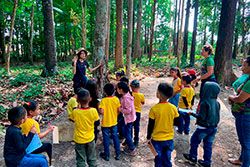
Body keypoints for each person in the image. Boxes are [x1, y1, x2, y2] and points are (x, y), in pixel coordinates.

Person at [183, 82, 221, 167]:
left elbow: (201, 117)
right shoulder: (217, 103)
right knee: (208, 145)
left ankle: (193, 157)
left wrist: (192, 114)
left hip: (203, 128)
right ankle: (207, 162)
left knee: (194, 140)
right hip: (213, 128)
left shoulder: (205, 103)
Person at [146, 83, 179, 167]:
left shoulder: (154, 109)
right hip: (169, 138)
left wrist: (148, 137)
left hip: (157, 139)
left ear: (158, 95)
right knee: (167, 158)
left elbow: (151, 125)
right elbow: (177, 122)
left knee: (158, 158)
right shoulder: (173, 108)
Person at [228, 57, 250, 167]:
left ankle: (245, 164)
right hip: (243, 113)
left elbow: (241, 99)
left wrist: (231, 98)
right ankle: (242, 160)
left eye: (245, 65)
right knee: (244, 140)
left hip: (245, 115)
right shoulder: (247, 79)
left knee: (246, 143)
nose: (242, 68)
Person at [20, 101, 54, 166]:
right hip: (30, 148)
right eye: (38, 109)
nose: (39, 111)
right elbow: (39, 136)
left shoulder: (21, 120)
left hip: (22, 144)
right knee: (48, 146)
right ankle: (50, 164)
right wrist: (49, 130)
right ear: (31, 112)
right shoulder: (33, 123)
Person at [72, 89, 99, 167]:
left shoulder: (75, 112)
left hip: (79, 139)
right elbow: (97, 123)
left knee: (80, 160)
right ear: (90, 99)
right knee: (92, 159)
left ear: (77, 100)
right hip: (90, 138)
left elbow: (72, 119)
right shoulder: (93, 111)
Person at [99, 83, 121, 161]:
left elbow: (101, 112)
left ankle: (107, 154)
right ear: (114, 91)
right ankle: (118, 153)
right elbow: (119, 110)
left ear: (104, 91)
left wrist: (99, 107)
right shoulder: (116, 99)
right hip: (114, 121)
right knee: (115, 136)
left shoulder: (103, 101)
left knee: (106, 138)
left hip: (105, 123)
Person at [117, 81, 137, 156]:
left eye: (118, 89)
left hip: (129, 118)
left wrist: (120, 109)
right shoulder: (126, 95)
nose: (117, 90)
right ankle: (127, 142)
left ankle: (132, 149)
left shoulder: (126, 98)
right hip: (127, 117)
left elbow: (128, 110)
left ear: (121, 90)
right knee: (119, 125)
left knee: (127, 133)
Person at [130, 79, 145, 147]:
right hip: (138, 112)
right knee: (136, 126)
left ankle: (129, 139)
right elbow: (143, 103)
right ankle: (136, 139)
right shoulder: (141, 95)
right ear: (139, 87)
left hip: (130, 112)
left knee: (130, 126)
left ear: (131, 87)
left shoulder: (129, 94)